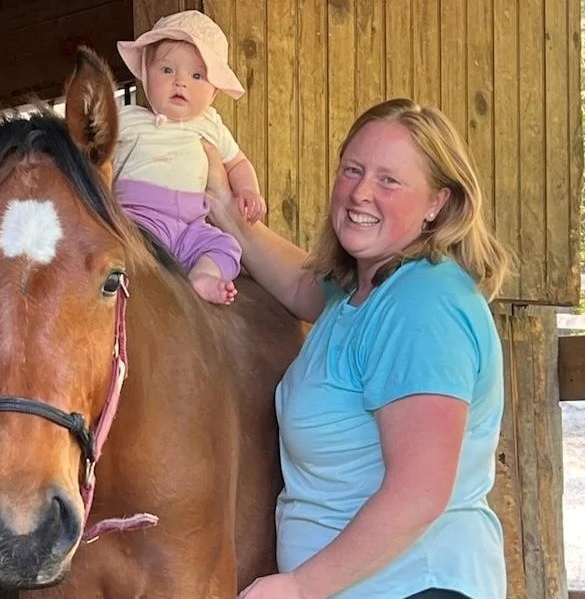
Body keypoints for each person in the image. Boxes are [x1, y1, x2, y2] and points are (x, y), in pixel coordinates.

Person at [204, 98, 511, 598]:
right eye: (352, 170)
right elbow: (303, 287)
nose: (361, 192)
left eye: (389, 180)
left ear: (438, 201)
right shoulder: (361, 293)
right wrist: (230, 214)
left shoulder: (421, 306)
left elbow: (419, 492)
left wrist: (301, 587)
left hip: (415, 588)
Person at [114, 10, 266, 305]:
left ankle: (203, 277)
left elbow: (237, 162)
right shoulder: (128, 119)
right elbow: (92, 152)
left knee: (226, 247)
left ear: (213, 93)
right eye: (168, 70)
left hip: (190, 227)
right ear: (145, 73)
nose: (181, 82)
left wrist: (248, 189)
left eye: (197, 76)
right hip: (137, 221)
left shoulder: (210, 125)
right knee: (116, 252)